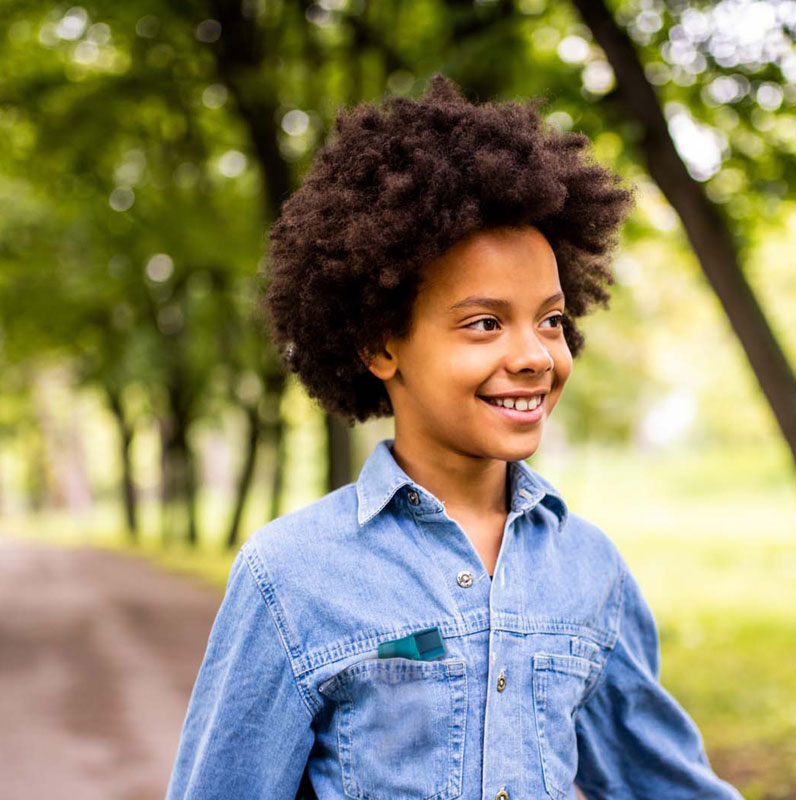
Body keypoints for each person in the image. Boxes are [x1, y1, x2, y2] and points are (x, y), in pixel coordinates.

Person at [166, 77, 742, 800]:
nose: (536, 354)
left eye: (552, 319)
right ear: (381, 345)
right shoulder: (291, 576)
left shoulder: (589, 569)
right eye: (484, 323)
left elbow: (667, 784)